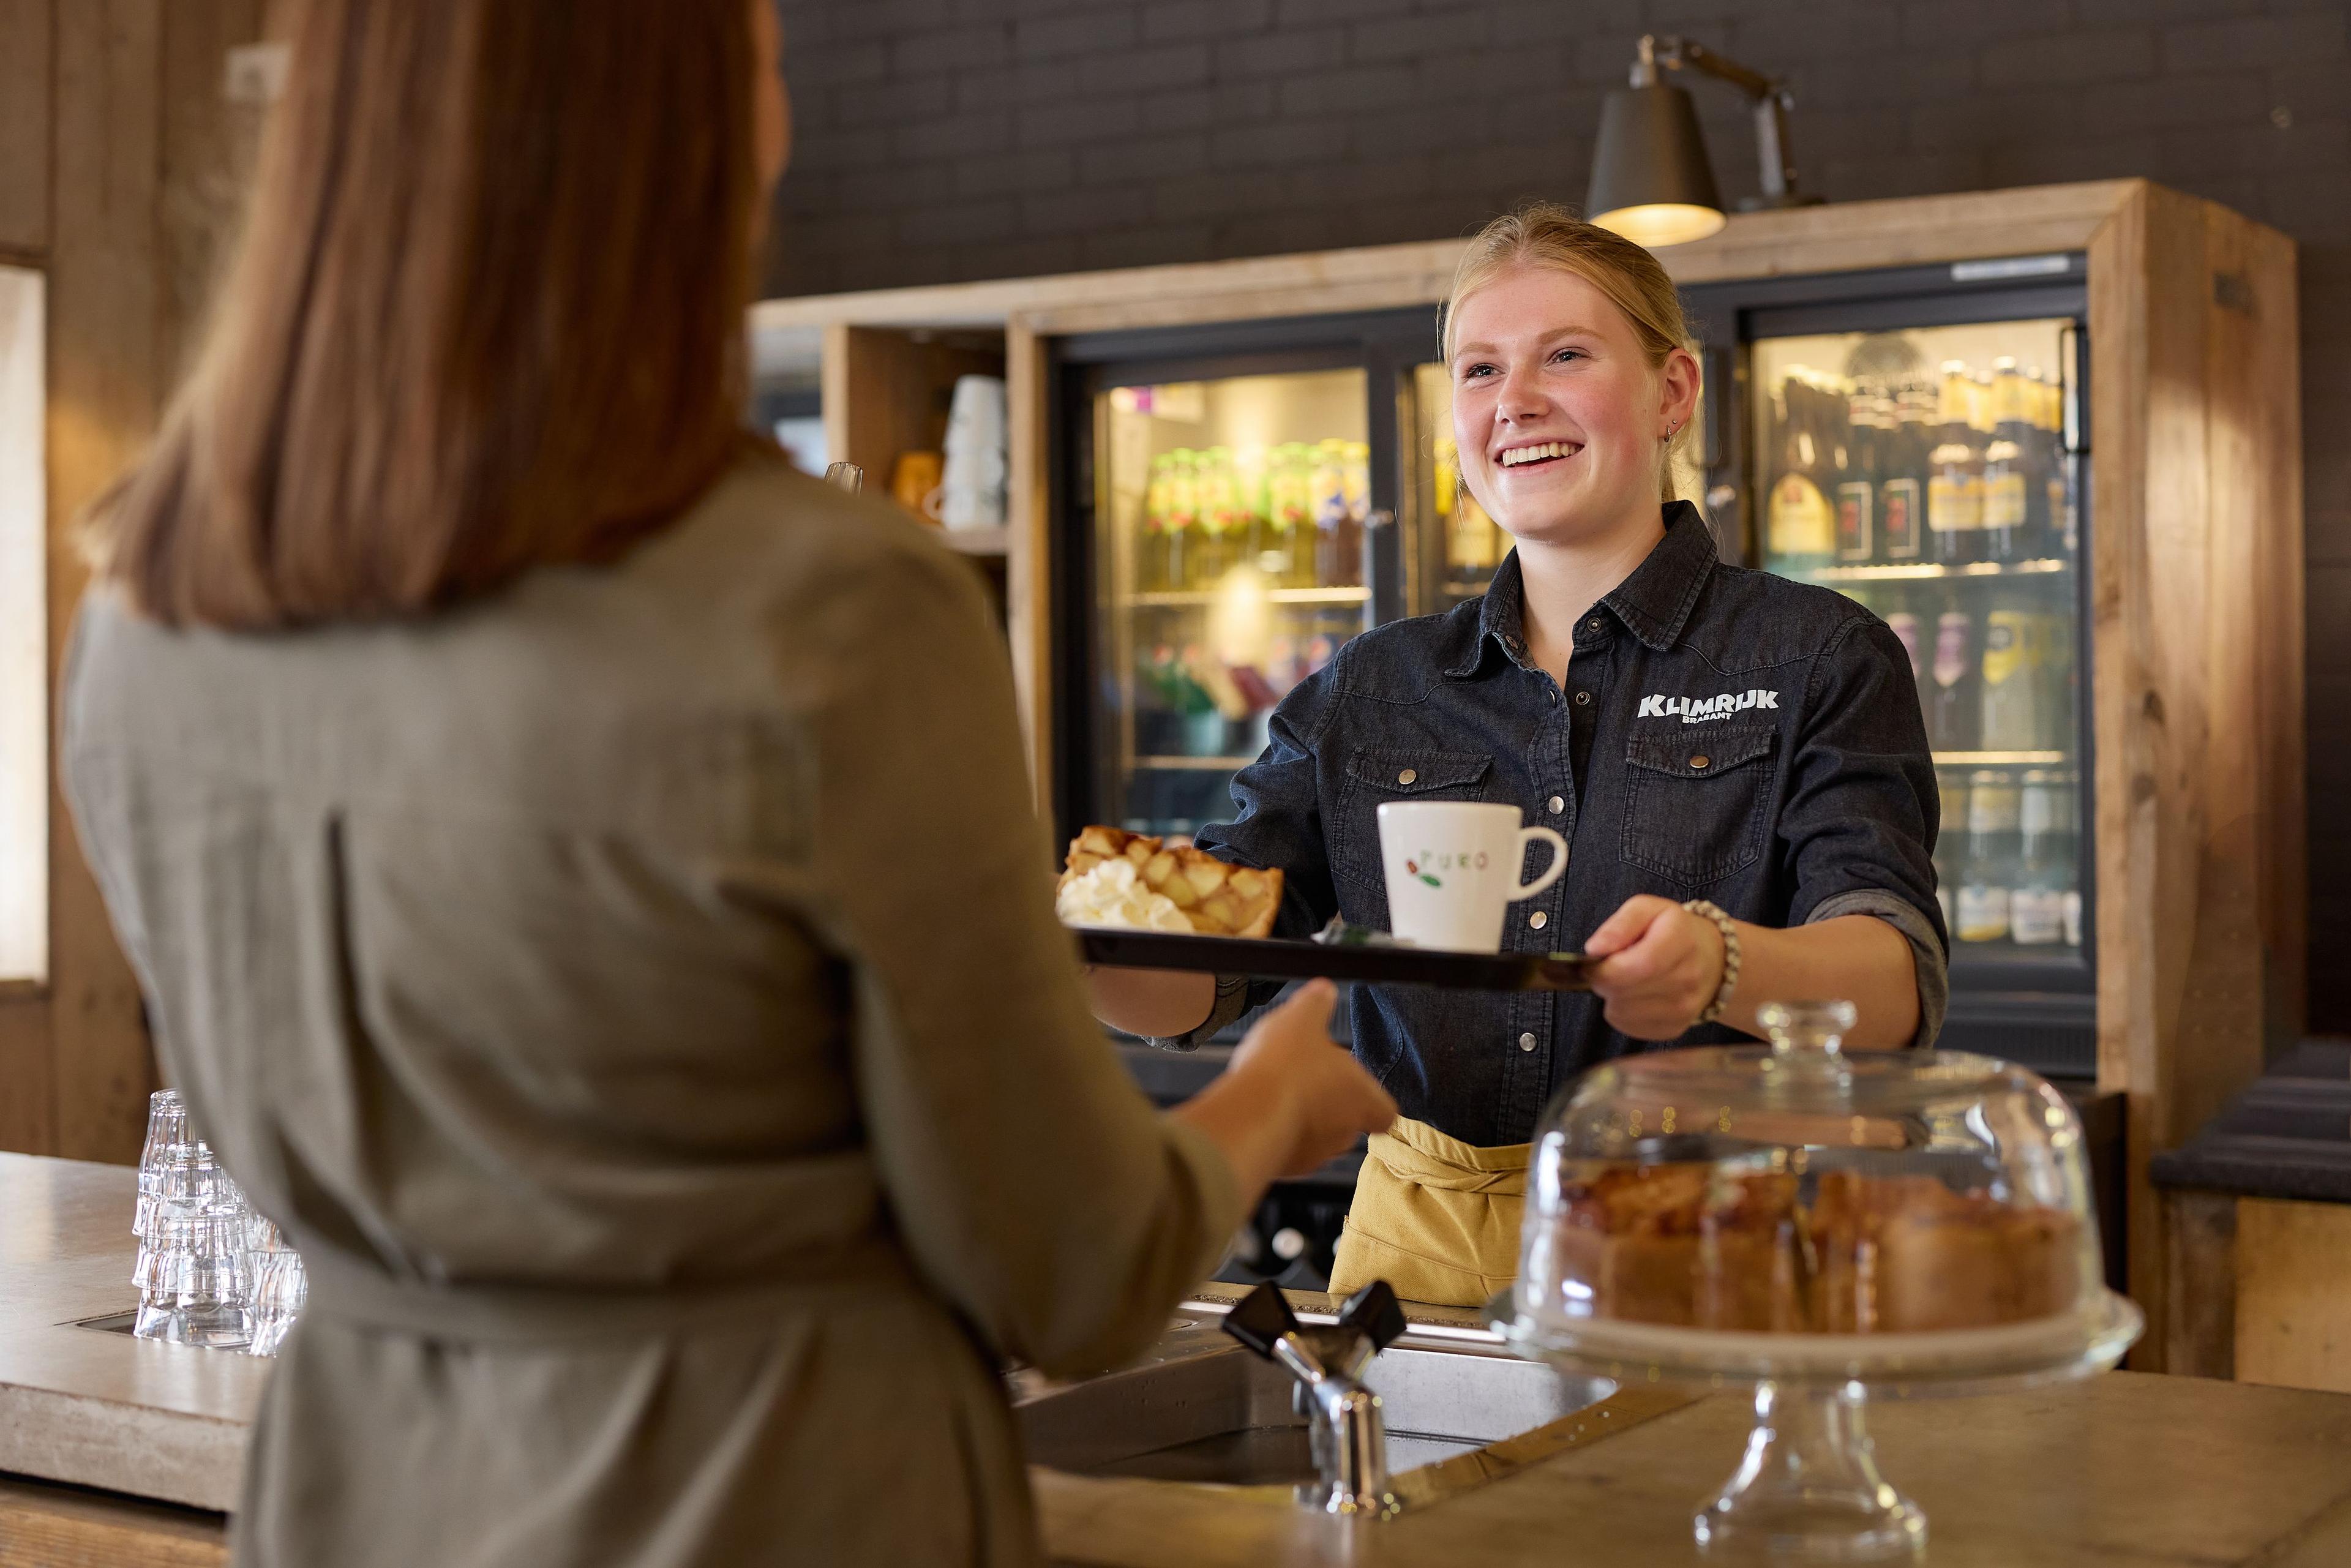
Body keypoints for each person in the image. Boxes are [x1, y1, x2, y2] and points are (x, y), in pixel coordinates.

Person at [58, 4, 1395, 1565]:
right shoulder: (828, 607)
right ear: (684, 127)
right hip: (759, 1494)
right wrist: (1280, 1093)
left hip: (360, 1494)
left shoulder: (151, 617)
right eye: (762, 57)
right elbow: (1073, 1269)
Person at [1090, 206, 1944, 1310]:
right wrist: (1059, 942)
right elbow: (1204, 971)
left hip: (1708, 1265)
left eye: (1568, 356)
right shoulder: (1374, 685)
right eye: (1479, 369)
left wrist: (1722, 961)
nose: (1515, 402)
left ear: (1674, 392)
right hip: (1419, 1276)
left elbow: (1894, 988)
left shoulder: (1820, 653)